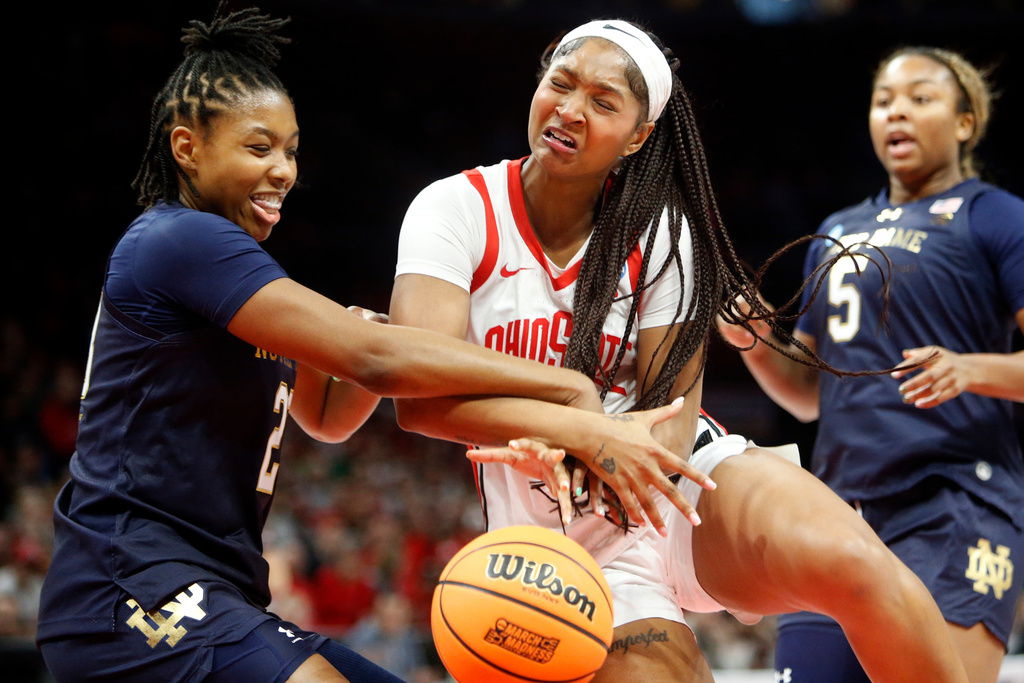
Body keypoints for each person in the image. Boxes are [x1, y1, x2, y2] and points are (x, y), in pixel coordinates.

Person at [33, 6, 712, 683]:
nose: (283, 171)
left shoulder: (236, 278)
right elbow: (373, 361)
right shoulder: (181, 239)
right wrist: (567, 389)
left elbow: (329, 414)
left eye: (291, 150)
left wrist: (382, 339)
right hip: (132, 586)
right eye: (258, 148)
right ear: (187, 148)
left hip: (211, 589)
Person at [389, 18, 970, 683]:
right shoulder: (455, 209)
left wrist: (600, 443)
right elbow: (417, 396)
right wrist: (575, 430)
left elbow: (673, 419)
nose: (570, 109)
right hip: (562, 534)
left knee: (857, 562)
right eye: (561, 83)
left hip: (673, 480)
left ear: (638, 136)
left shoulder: (664, 231)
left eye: (603, 102)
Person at [716, 46, 1024, 683]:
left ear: (965, 122)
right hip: (841, 512)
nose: (897, 113)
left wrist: (971, 369)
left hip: (954, 503)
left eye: (920, 99)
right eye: (884, 101)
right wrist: (758, 341)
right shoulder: (838, 228)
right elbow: (810, 395)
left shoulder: (995, 216)